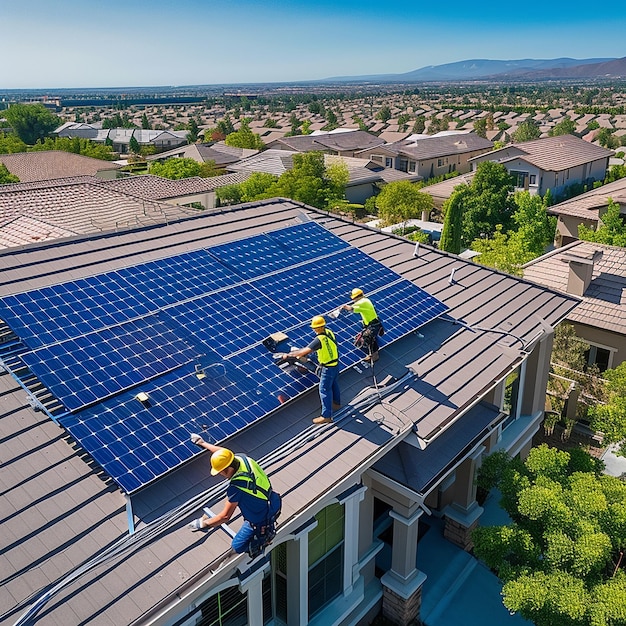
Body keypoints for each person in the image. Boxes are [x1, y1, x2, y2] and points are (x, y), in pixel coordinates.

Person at [188, 435, 282, 558]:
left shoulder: (236, 488)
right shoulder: (243, 459)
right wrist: (202, 443)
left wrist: (204, 524)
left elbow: (225, 516)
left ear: (229, 468)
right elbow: (224, 454)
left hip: (260, 519)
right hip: (273, 501)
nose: (220, 474)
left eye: (221, 471)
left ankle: (263, 542)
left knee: (238, 546)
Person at [282, 315, 340, 425]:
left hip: (327, 367)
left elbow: (304, 352)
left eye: (314, 328)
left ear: (317, 328)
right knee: (334, 383)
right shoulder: (329, 332)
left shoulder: (319, 339)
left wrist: (289, 355)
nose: (313, 330)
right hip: (335, 364)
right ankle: (337, 404)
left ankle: (326, 416)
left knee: (324, 390)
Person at [342, 288, 382, 362]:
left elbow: (351, 308)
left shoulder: (363, 302)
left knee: (368, 338)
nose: (353, 300)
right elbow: (356, 308)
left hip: (373, 325)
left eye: (354, 298)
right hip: (372, 323)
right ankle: (373, 352)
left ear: (357, 297)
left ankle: (374, 356)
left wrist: (343, 307)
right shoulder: (365, 300)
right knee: (370, 337)